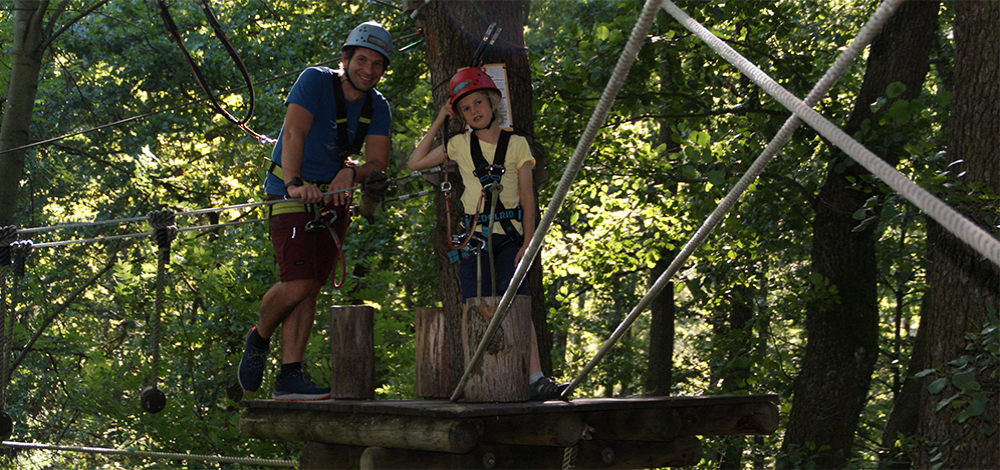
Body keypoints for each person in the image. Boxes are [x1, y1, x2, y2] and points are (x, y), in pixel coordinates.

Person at [238, 21, 393, 401]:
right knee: (298, 282)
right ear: (345, 59)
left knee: (311, 287)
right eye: (361, 60)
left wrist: (351, 172)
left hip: (332, 201)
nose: (368, 70)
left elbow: (377, 163)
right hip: (290, 192)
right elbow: (294, 134)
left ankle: (289, 375)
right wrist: (294, 183)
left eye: (377, 64)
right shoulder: (314, 82)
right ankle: (259, 339)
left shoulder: (378, 107)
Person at [407, 67, 566, 401]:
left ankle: (535, 377)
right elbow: (415, 162)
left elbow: (527, 199)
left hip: (510, 238)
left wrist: (529, 243)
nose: (474, 110)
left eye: (479, 102)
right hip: (475, 239)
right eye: (466, 108)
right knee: (473, 305)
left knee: (518, 303)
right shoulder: (458, 145)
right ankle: (473, 374)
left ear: (494, 103)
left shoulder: (518, 145)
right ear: (460, 115)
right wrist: (440, 119)